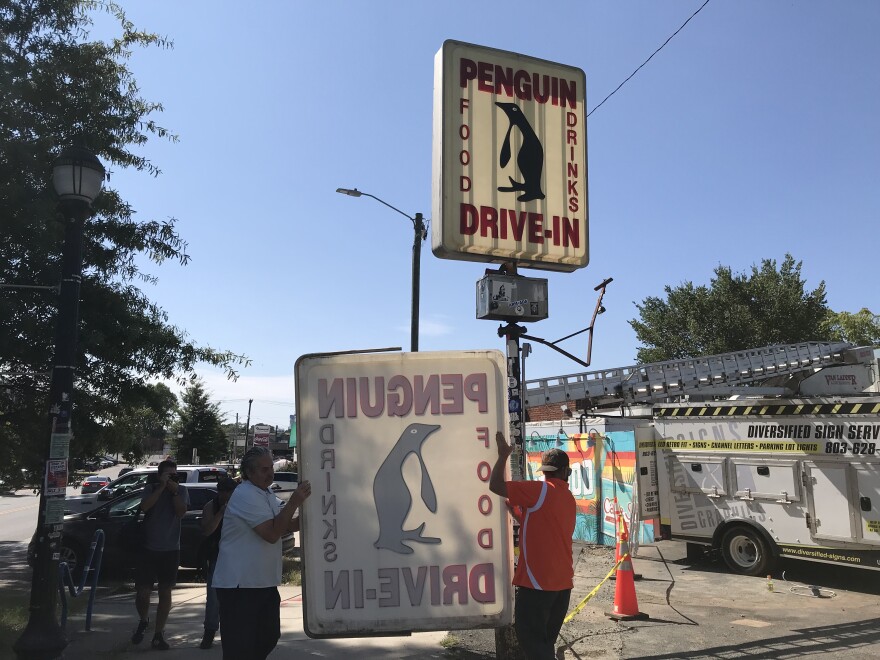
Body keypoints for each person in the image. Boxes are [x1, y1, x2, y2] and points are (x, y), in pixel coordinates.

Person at [213, 446, 312, 659]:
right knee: (240, 649)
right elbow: (272, 533)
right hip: (240, 586)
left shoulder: (266, 493)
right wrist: (295, 500)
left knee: (268, 637)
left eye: (270, 468)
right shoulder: (245, 494)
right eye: (264, 469)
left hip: (263, 582)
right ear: (249, 472)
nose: (270, 473)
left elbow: (287, 524)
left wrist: (313, 508)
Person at [490, 432, 576, 660]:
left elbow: (495, 485)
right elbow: (544, 525)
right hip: (562, 586)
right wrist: (518, 513)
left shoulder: (540, 490)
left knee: (534, 644)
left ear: (545, 471)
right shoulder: (568, 497)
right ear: (566, 472)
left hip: (537, 585)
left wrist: (502, 456)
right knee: (544, 644)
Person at [131, 459, 191, 650]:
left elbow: (181, 512)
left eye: (174, 474)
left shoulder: (181, 491)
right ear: (160, 475)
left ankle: (158, 634)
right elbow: (145, 507)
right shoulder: (151, 488)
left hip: (171, 549)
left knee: (165, 592)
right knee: (143, 592)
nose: (172, 477)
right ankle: (143, 619)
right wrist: (161, 487)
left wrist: (173, 490)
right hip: (148, 548)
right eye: (168, 474)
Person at [199, 476, 238, 650]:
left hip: (238, 557)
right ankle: (209, 632)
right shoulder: (211, 506)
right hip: (217, 556)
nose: (225, 496)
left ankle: (236, 633)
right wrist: (221, 513)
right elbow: (207, 530)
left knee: (238, 598)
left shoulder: (241, 505)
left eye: (228, 492)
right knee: (214, 598)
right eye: (222, 492)